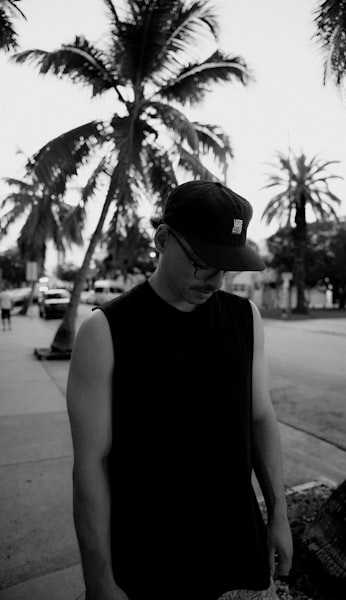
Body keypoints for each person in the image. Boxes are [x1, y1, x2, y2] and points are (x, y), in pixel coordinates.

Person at [67, 180, 293, 600]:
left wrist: (278, 513)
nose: (216, 281)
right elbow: (90, 465)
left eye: (226, 268)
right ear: (162, 239)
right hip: (149, 562)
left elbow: (261, 417)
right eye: (203, 263)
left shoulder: (246, 318)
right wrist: (98, 579)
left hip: (237, 549)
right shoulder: (106, 331)